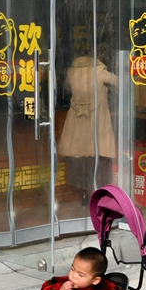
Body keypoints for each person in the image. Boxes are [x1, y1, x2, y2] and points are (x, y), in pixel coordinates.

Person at [57, 54, 118, 205]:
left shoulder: (71, 72)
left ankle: (84, 194)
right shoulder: (99, 72)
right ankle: (99, 194)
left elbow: (66, 87)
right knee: (99, 160)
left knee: (80, 161)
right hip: (98, 122)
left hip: (78, 123)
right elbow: (119, 82)